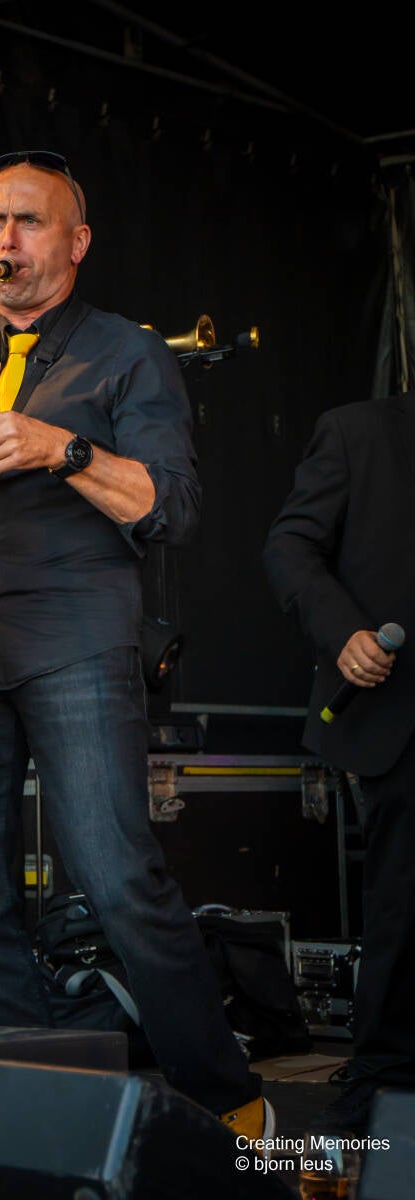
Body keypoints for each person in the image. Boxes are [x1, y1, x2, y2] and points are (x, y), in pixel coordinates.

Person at [0, 150, 273, 1138]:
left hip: (75, 638)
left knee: (116, 877)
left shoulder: (127, 353)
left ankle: (231, 1103)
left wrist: (57, 446)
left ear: (76, 241)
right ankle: (37, 1113)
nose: (3, 239)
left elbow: (172, 506)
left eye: (26, 221)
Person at [263, 390, 415, 1134]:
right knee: (404, 903)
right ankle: (384, 1088)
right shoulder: (360, 432)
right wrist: (346, 632)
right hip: (402, 710)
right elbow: (289, 549)